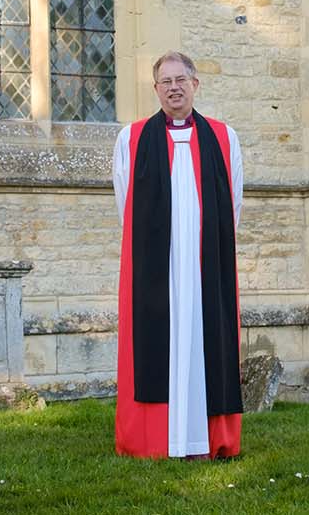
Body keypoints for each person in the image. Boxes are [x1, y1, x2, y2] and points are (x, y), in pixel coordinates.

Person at [111, 51, 245, 459]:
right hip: (158, 267)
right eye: (165, 81)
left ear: (195, 84)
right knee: (158, 344)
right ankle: (156, 439)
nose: (173, 87)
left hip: (206, 263)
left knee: (207, 341)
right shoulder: (131, 139)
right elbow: (125, 202)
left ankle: (206, 439)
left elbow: (234, 202)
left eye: (181, 79)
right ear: (155, 89)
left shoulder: (224, 137)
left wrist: (203, 246)